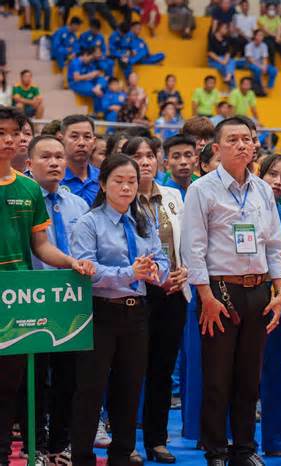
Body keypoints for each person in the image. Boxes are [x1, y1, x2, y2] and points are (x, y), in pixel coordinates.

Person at [182, 116, 281, 466]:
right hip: (219, 291)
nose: (243, 145)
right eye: (234, 140)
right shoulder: (202, 189)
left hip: (258, 290)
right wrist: (205, 297)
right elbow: (193, 248)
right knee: (217, 376)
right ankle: (215, 449)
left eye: (248, 139)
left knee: (248, 376)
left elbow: (274, 244)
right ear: (217, 147)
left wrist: (279, 288)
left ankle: (245, 448)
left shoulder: (261, 190)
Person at [0, 107, 94, 466]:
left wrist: (71, 262)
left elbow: (41, 245)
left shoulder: (28, 189)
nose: (9, 139)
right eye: (1, 132)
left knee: (11, 387)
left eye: (13, 132)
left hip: (16, 302)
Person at [70, 154, 169, 466]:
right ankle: (82, 456)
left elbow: (160, 259)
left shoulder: (143, 220)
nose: (127, 187)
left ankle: (122, 454)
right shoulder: (89, 222)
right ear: (103, 184)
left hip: (137, 312)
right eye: (119, 181)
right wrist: (130, 273)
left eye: (132, 181)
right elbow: (88, 271)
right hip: (100, 312)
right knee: (90, 388)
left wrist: (157, 272)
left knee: (129, 388)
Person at [122, 137, 191, 463]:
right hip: (134, 293)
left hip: (172, 292)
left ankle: (157, 440)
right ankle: (127, 442)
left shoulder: (174, 196)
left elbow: (189, 244)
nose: (146, 161)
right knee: (131, 369)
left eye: (151, 155)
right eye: (138, 156)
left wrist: (183, 272)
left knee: (163, 370)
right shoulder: (121, 198)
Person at [24, 134, 91, 465]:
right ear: (29, 164)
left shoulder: (78, 205)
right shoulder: (22, 200)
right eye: (45, 157)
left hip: (71, 300)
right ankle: (34, 445)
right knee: (34, 379)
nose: (54, 163)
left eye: (58, 157)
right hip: (32, 299)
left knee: (69, 378)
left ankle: (60, 445)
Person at [257, 154, 281, 456]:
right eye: (272, 174)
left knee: (277, 375)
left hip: (279, 304)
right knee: (238, 375)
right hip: (242, 297)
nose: (278, 182)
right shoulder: (244, 207)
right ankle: (229, 440)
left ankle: (276, 440)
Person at [59, 115, 100, 206]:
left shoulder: (103, 178)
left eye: (87, 137)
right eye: (74, 136)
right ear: (61, 140)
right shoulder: (53, 178)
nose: (81, 143)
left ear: (94, 142)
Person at [67, 47, 108, 114]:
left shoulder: (89, 63)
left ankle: (97, 88)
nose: (91, 60)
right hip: (76, 83)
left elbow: (93, 74)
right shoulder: (75, 62)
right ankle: (97, 112)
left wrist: (96, 74)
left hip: (87, 81)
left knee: (103, 79)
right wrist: (90, 75)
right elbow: (76, 78)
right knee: (98, 92)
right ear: (85, 55)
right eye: (90, 58)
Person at [162, 134, 197, 199]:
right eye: (176, 157)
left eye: (188, 155)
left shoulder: (204, 189)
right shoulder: (162, 195)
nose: (183, 162)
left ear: (196, 161)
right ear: (166, 164)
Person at [243, 29, 278, 94]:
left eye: (262, 35)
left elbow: (265, 58)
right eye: (259, 35)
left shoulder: (264, 45)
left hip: (261, 64)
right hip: (250, 64)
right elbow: (250, 59)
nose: (261, 37)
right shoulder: (249, 46)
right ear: (255, 36)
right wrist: (260, 66)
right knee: (257, 70)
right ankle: (260, 86)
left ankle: (270, 88)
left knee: (274, 70)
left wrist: (264, 66)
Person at [259, 3, 281, 73]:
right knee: (271, 45)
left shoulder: (278, 18)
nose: (272, 11)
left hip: (276, 37)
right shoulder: (261, 19)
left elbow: (279, 29)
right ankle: (272, 65)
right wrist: (277, 37)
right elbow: (266, 31)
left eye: (273, 9)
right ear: (266, 10)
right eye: (270, 9)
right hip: (266, 37)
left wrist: (278, 38)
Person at [208, 22, 237, 89]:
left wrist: (225, 61)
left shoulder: (226, 38)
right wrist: (222, 61)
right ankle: (233, 89)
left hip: (224, 59)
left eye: (226, 28)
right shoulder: (212, 38)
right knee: (226, 68)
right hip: (213, 60)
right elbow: (210, 53)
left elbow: (228, 52)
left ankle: (228, 77)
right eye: (225, 28)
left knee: (232, 61)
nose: (226, 30)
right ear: (219, 28)